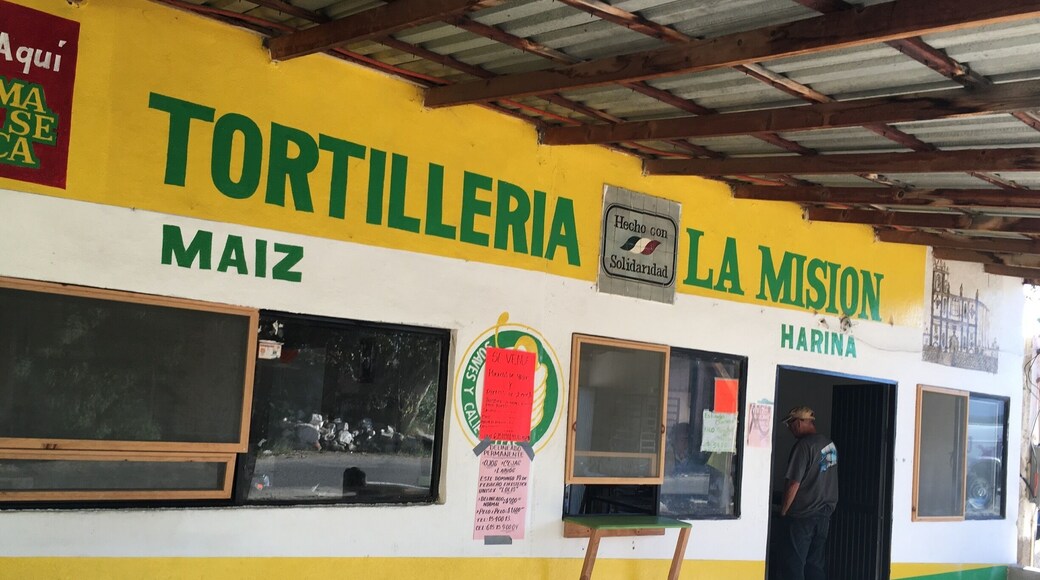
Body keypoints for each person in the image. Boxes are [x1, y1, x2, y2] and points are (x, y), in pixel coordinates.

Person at [779, 406, 838, 580]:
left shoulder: (803, 446)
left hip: (803, 517)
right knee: (815, 565)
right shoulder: (829, 445)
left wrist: (783, 511)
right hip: (824, 517)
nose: (790, 429)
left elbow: (793, 484)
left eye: (790, 424)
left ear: (799, 422)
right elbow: (825, 477)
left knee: (794, 565)